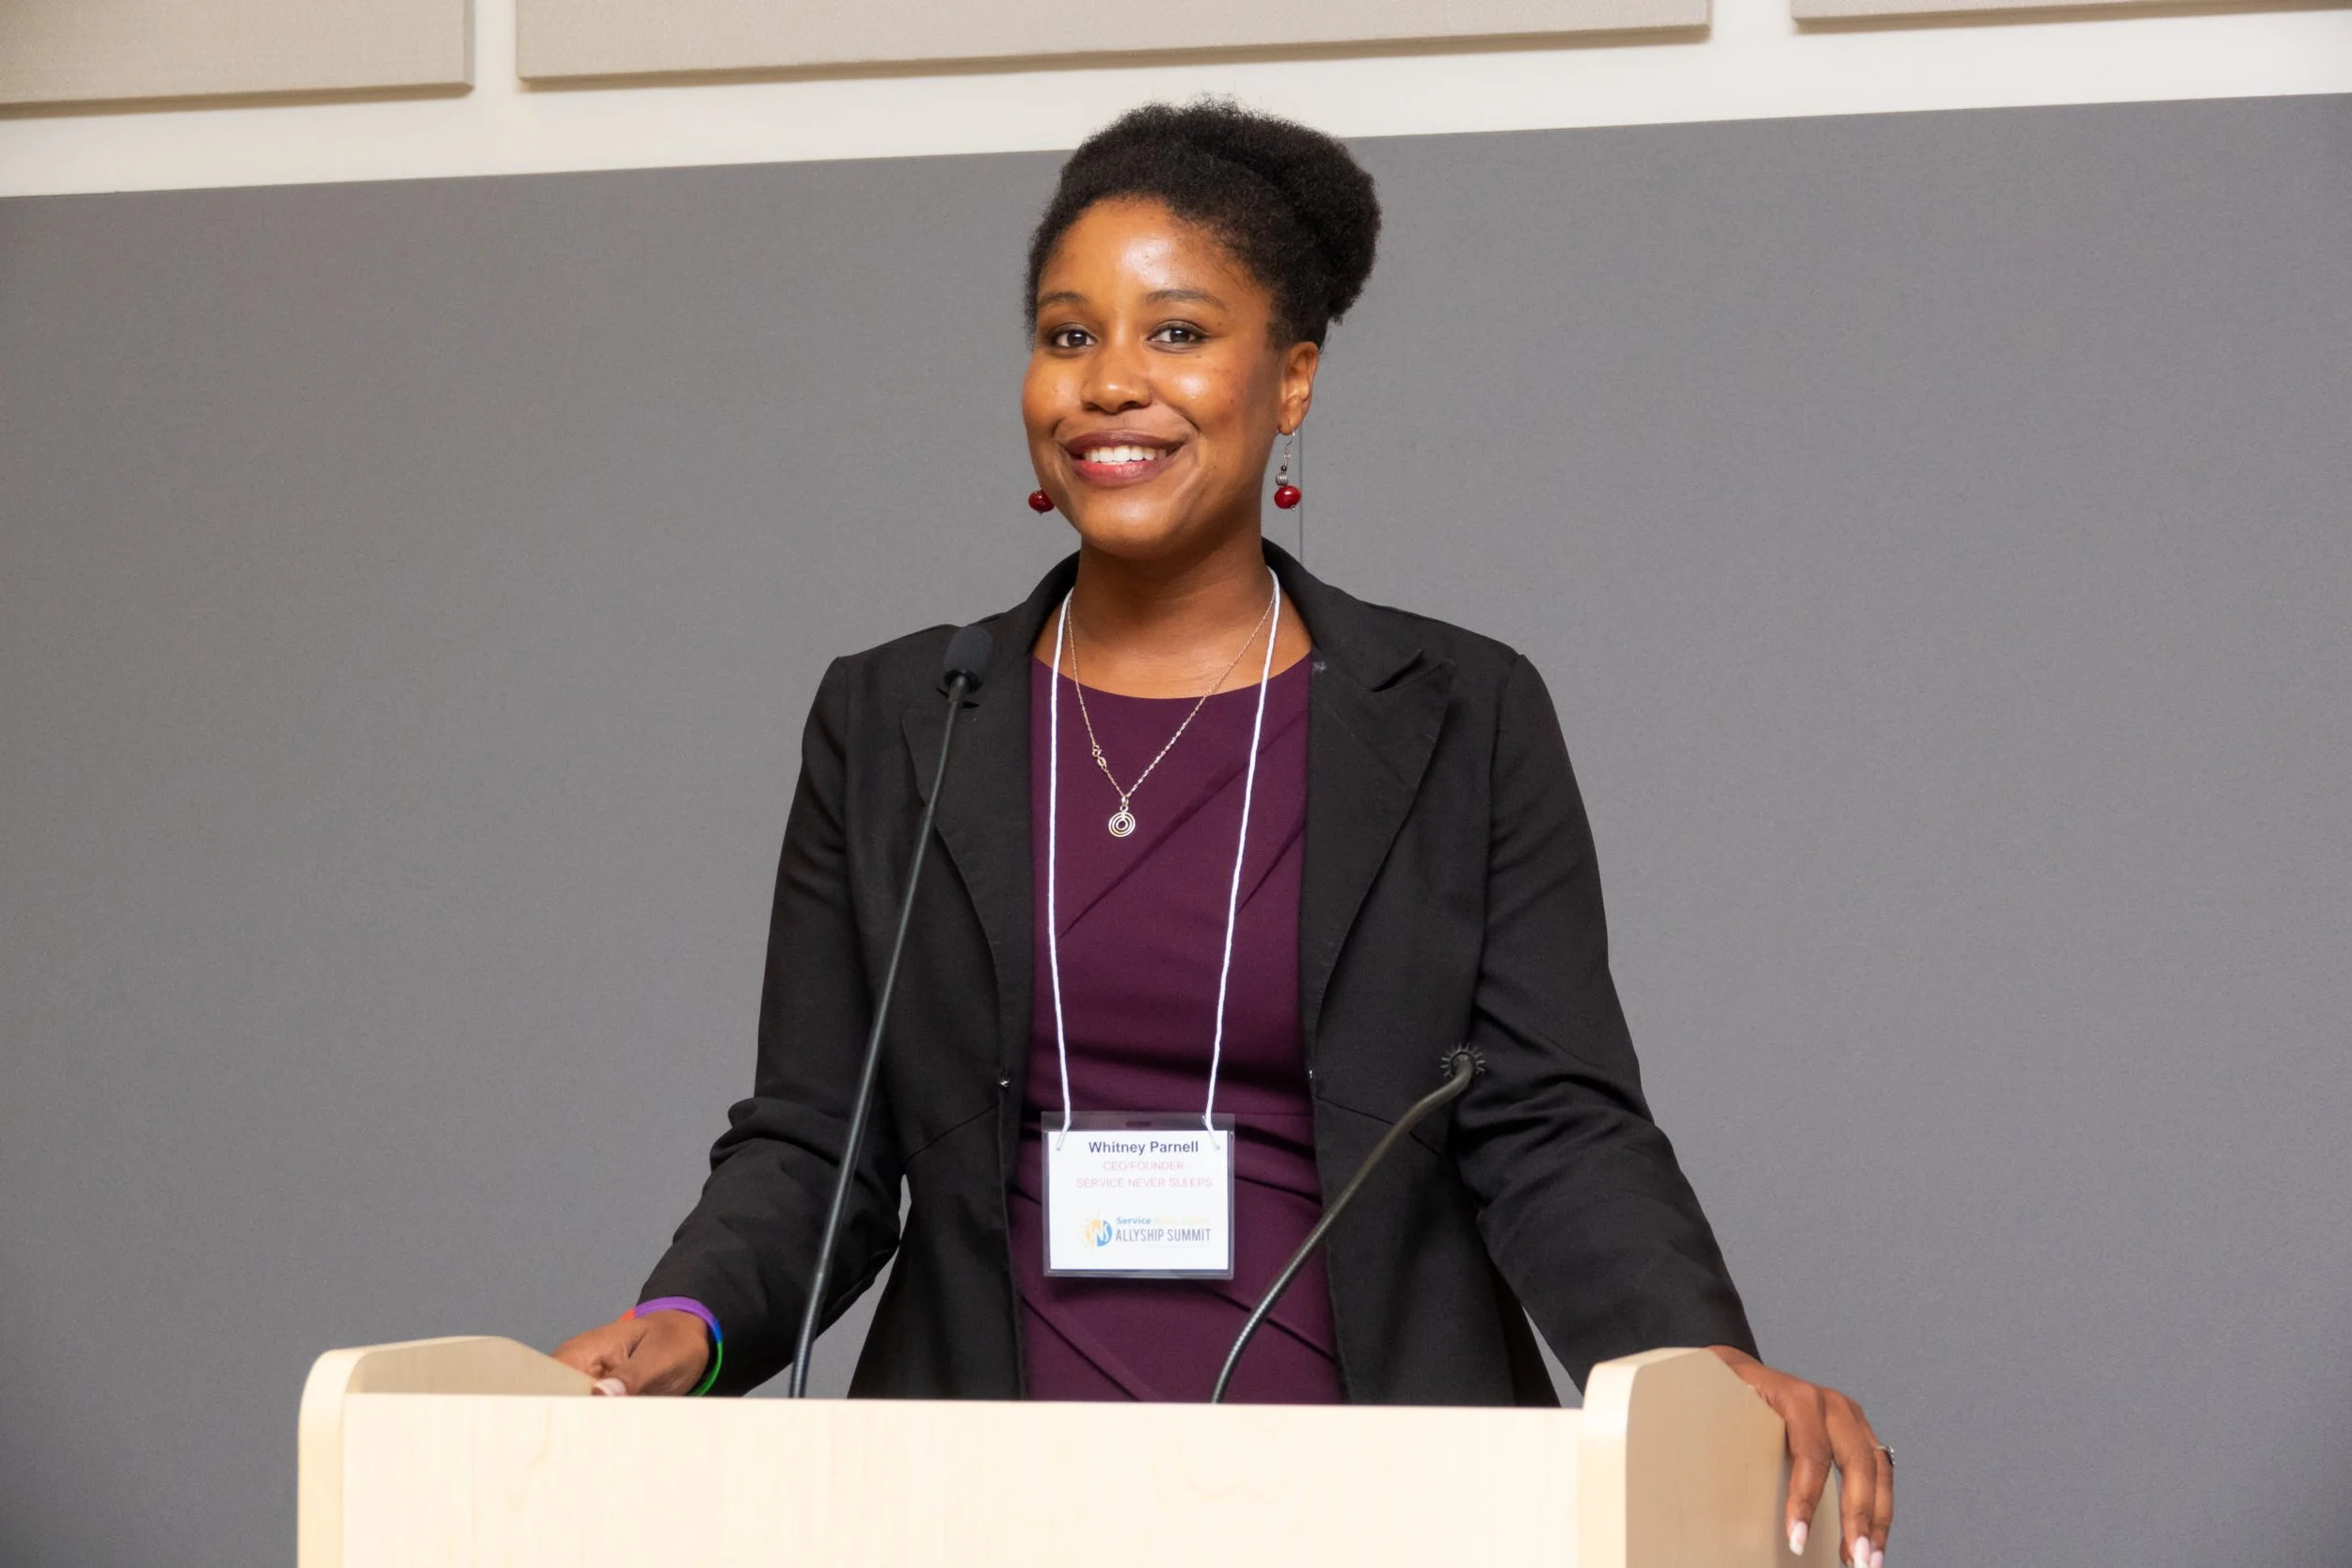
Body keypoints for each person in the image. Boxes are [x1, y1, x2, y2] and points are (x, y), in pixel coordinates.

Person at [556, 100, 1894, 1566]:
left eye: (1177, 333)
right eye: (1068, 336)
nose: (1110, 383)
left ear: (1295, 376)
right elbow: (820, 1136)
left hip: (1390, 1503)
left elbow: (1557, 1125)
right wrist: (681, 1321)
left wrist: (1696, 1371)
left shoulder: (1461, 713)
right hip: (981, 1502)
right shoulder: (893, 722)